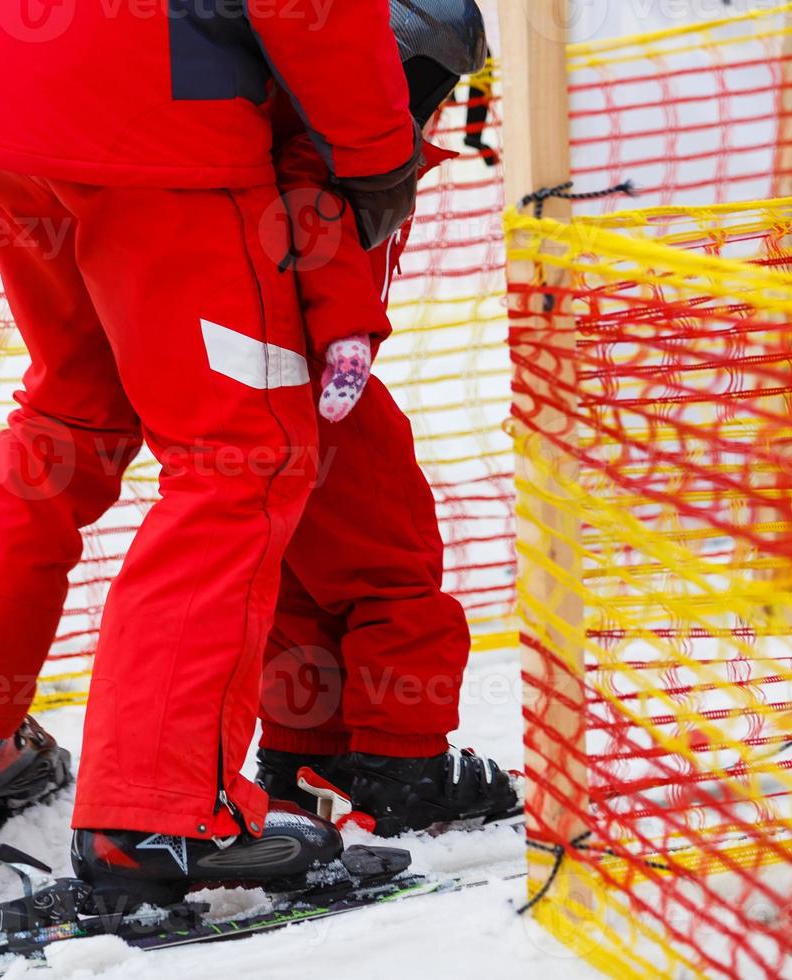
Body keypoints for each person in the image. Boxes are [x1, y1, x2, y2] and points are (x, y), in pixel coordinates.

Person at [0, 1, 427, 911]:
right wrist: (380, 150)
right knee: (242, 459)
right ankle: (157, 818)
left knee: (73, 413)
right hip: (162, 109)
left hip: (4, 89)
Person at [253, 0, 520, 837]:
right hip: (325, 394)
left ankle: (305, 753)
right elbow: (313, 212)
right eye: (427, 79)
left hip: (256, 391)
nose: (427, 99)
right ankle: (403, 768)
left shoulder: (285, 130)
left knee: (304, 586)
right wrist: (343, 336)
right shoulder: (324, 151)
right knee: (393, 576)